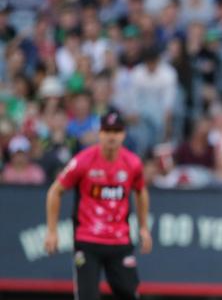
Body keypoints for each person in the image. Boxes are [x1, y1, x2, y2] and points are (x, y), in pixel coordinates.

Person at [44, 111, 152, 300]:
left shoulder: (132, 163)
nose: (112, 136)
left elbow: (141, 191)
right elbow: (55, 191)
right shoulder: (83, 161)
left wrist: (143, 228)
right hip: (88, 241)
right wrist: (52, 231)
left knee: (129, 293)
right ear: (99, 133)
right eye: (107, 131)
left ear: (124, 134)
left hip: (120, 241)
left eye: (116, 131)